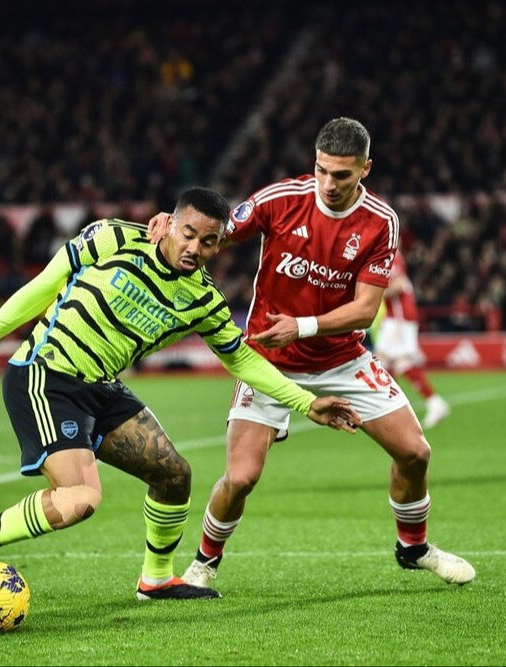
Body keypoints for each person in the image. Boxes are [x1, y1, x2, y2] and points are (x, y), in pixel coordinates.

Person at [0, 187, 361, 609]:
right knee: (81, 499)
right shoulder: (111, 238)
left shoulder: (202, 301)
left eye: (208, 241)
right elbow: (44, 284)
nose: (195, 247)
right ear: (171, 223)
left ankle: (155, 579)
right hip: (47, 375)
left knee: (174, 475)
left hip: (101, 387)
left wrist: (307, 402)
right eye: (189, 233)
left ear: (219, 245)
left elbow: (243, 361)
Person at [149, 118, 475, 590]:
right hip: (267, 360)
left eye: (342, 175)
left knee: (415, 452)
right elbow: (214, 235)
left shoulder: (380, 223)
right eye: (321, 170)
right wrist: (172, 227)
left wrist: (301, 326)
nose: (329, 183)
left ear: (365, 169)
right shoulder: (279, 200)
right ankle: (203, 563)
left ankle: (414, 548)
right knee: (240, 478)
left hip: (343, 359)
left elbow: (365, 310)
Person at [373, 249, 451, 428]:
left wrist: (373, 294)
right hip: (396, 317)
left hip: (399, 318)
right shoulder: (383, 255)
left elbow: (399, 284)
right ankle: (388, 408)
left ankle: (433, 402)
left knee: (396, 361)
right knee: (384, 361)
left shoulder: (392, 254)